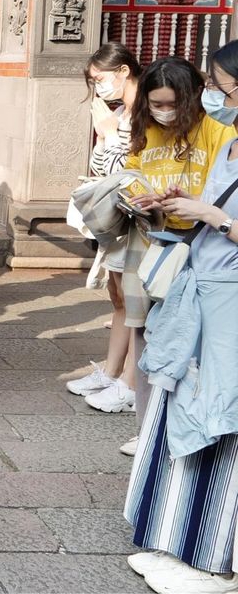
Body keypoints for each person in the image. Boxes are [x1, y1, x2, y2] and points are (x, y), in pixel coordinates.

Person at [124, 41, 238, 594]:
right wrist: (162, 199)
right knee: (187, 399)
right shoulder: (226, 146)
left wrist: (208, 213)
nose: (223, 95)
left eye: (225, 86)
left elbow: (222, 214)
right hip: (196, 282)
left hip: (225, 293)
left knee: (219, 413)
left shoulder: (222, 136)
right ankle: (186, 541)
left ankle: (216, 558)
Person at [106, 56, 235, 420]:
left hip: (204, 247)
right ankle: (147, 419)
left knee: (190, 340)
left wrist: (196, 205)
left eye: (172, 105)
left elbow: (223, 191)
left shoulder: (217, 129)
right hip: (156, 239)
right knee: (147, 327)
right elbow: (133, 168)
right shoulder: (145, 127)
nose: (164, 112)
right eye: (156, 104)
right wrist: (139, 194)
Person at [66, 44, 143, 446]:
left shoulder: (143, 112)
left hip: (138, 220)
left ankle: (130, 384)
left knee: (134, 303)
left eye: (100, 79)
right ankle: (111, 372)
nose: (98, 87)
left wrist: (112, 137)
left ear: (123, 71)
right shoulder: (116, 114)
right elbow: (99, 168)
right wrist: (107, 135)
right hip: (116, 220)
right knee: (117, 297)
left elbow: (127, 172)